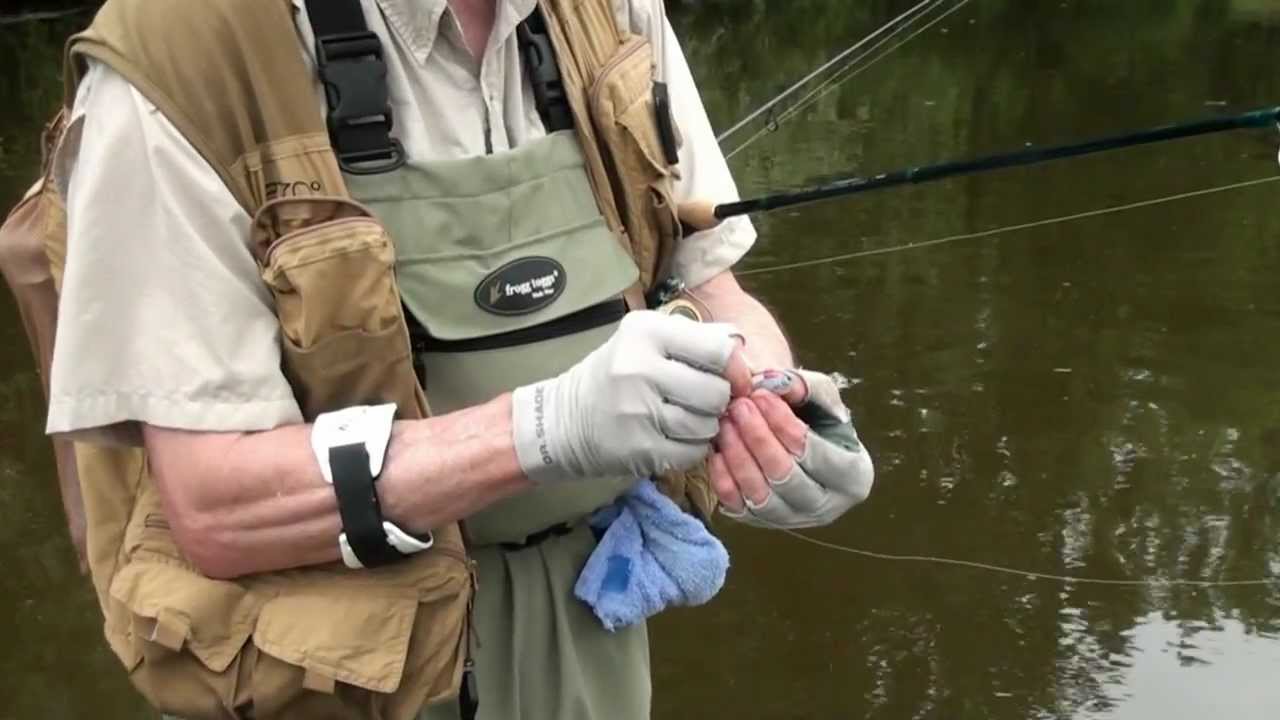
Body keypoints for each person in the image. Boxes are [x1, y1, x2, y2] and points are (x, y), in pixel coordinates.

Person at [40, 0, 875, 717]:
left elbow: (713, 286)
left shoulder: (608, 10)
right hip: (347, 685)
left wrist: (772, 412)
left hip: (596, 637)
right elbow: (213, 506)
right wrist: (543, 430)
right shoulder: (181, 55)